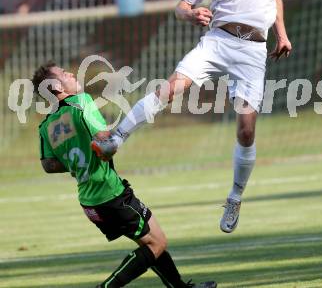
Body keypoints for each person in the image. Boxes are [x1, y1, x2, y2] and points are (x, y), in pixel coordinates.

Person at [92, 0, 292, 234]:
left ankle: (235, 196)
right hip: (218, 42)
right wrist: (192, 13)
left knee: (246, 130)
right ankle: (117, 136)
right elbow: (180, 7)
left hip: (254, 50)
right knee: (171, 88)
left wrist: (281, 35)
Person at [32, 62, 217, 288]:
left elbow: (48, 165)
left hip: (90, 200)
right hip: (110, 193)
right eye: (63, 73)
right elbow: (103, 138)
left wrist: (76, 158)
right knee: (156, 244)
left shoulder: (46, 126)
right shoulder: (81, 103)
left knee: (152, 240)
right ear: (56, 87)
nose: (70, 73)